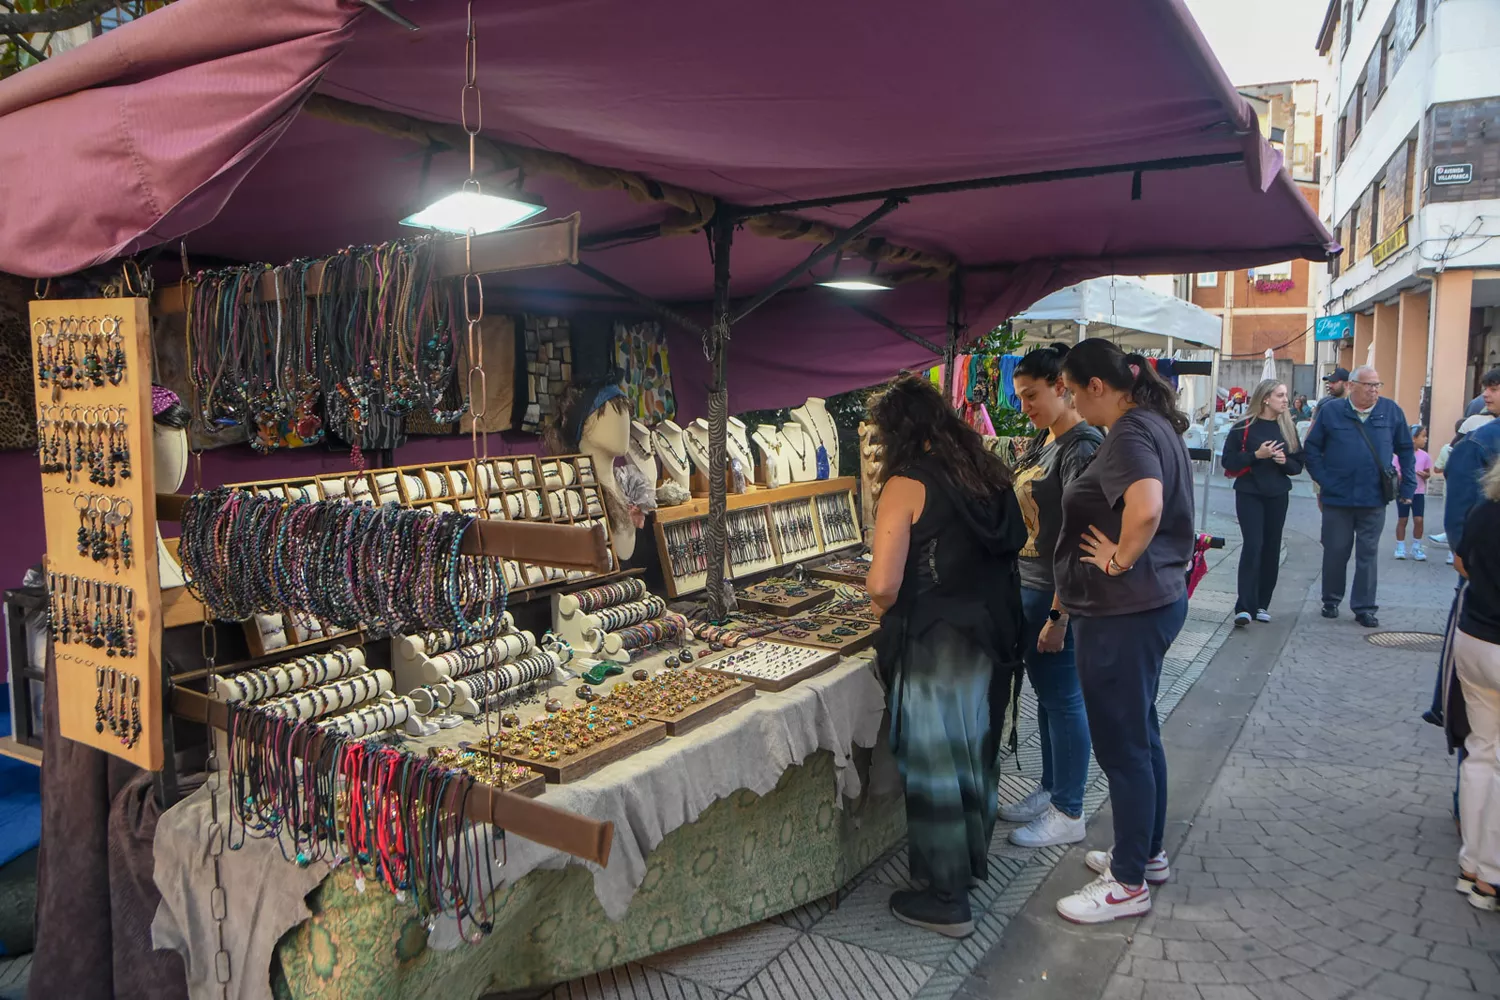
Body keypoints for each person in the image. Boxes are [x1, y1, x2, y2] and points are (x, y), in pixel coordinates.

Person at [866, 373, 1026, 938]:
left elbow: (884, 584)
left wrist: (878, 600)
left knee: (936, 764)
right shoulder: (986, 473)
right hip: (989, 636)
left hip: (934, 640)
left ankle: (946, 897)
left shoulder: (907, 483)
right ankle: (970, 866)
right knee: (974, 753)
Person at [1051, 339, 1196, 924]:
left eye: (1069, 388)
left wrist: (1117, 560)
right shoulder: (1152, 425)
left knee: (1123, 744)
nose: (1070, 402)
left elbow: (1146, 507)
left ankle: (1128, 882)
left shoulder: (1132, 432)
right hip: (1145, 605)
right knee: (1140, 732)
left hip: (1124, 611)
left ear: (1096, 386)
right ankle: (1145, 852)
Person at [1000, 343, 1103, 848]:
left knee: (1064, 698)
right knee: (1047, 695)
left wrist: (1060, 614)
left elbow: (1078, 536)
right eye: (1020, 398)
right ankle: (1051, 787)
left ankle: (1070, 810)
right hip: (1031, 586)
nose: (1025, 407)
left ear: (1062, 388)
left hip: (1054, 593)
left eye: (1032, 395)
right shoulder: (1050, 441)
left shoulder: (1081, 447)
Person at [1303, 365, 1416, 628]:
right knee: (1336, 550)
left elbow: (1406, 450)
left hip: (1374, 497)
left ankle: (1364, 607)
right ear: (1352, 386)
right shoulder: (1332, 411)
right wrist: (1324, 480)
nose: (1374, 390)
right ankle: (1330, 600)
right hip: (1337, 498)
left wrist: (1407, 487)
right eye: (1369, 385)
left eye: (1378, 385)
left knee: (1368, 553)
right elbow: (1312, 448)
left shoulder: (1390, 411)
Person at [1452, 461, 1500, 911]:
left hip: (1473, 638)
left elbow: (1462, 562)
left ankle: (1472, 864)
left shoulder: (1485, 509)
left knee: (1480, 752)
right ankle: (1490, 875)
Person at [1220, 379, 1304, 626]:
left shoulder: (1288, 427)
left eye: (1286, 395)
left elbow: (1298, 465)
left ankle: (1261, 604)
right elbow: (1229, 461)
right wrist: (1257, 455)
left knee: (1271, 547)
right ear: (1266, 398)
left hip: (1278, 493)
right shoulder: (1244, 426)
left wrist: (1282, 461)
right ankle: (1244, 606)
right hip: (1249, 492)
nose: (1285, 400)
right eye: (1280, 395)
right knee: (1253, 544)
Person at [1393, 425, 1432, 560]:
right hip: (1404, 491)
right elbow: (1395, 471)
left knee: (1419, 519)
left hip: (1419, 492)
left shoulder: (1425, 456)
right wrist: (1403, 475)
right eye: (1423, 436)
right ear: (1413, 439)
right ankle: (1400, 546)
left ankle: (1416, 547)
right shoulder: (1400, 456)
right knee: (1402, 519)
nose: (1425, 439)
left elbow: (1428, 472)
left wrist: (1425, 475)